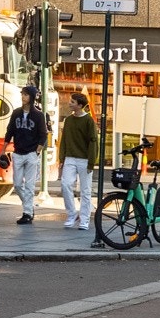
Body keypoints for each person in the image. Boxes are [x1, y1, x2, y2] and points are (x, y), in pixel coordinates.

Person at [5, 84, 48, 224]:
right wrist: (3, 149)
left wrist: (37, 151)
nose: (23, 97)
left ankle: (27, 213)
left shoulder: (39, 115)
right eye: (22, 94)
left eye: (26, 94)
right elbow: (10, 131)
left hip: (31, 153)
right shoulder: (16, 113)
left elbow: (43, 135)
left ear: (32, 97)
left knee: (29, 185)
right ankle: (29, 207)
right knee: (17, 185)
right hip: (18, 152)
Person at [58, 91, 97, 230]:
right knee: (65, 185)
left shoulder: (88, 121)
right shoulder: (68, 120)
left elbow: (93, 142)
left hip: (85, 159)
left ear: (80, 105)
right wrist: (61, 158)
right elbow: (64, 140)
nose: (69, 103)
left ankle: (84, 219)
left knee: (85, 191)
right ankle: (72, 214)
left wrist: (91, 161)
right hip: (70, 158)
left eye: (72, 102)